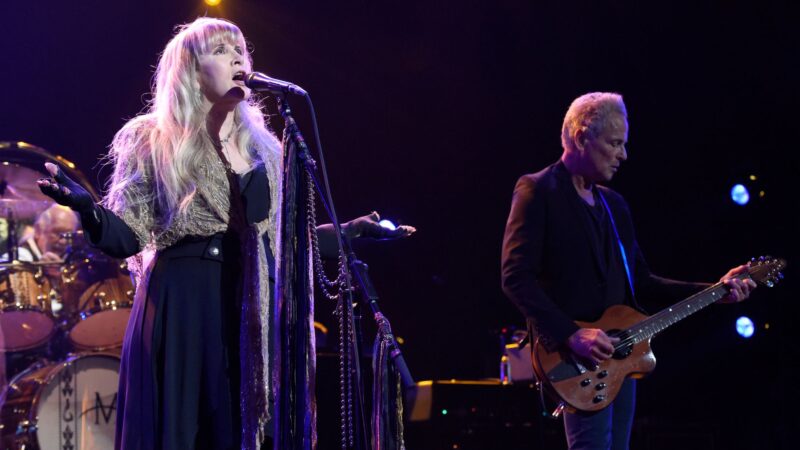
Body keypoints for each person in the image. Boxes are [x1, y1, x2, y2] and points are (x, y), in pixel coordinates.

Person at [37, 17, 413, 450]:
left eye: (240, 51)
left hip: (246, 308)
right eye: (220, 51)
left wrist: (350, 233)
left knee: (238, 432)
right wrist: (88, 209)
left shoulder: (269, 150)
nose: (237, 59)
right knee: (178, 431)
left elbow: (288, 242)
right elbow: (129, 236)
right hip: (182, 303)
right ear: (191, 72)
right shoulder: (152, 140)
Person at [500, 92, 755, 450]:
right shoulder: (538, 190)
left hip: (619, 358)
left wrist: (716, 290)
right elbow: (515, 276)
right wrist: (571, 334)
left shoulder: (615, 205)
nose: (624, 155)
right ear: (581, 137)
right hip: (575, 360)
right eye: (615, 143)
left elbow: (643, 282)